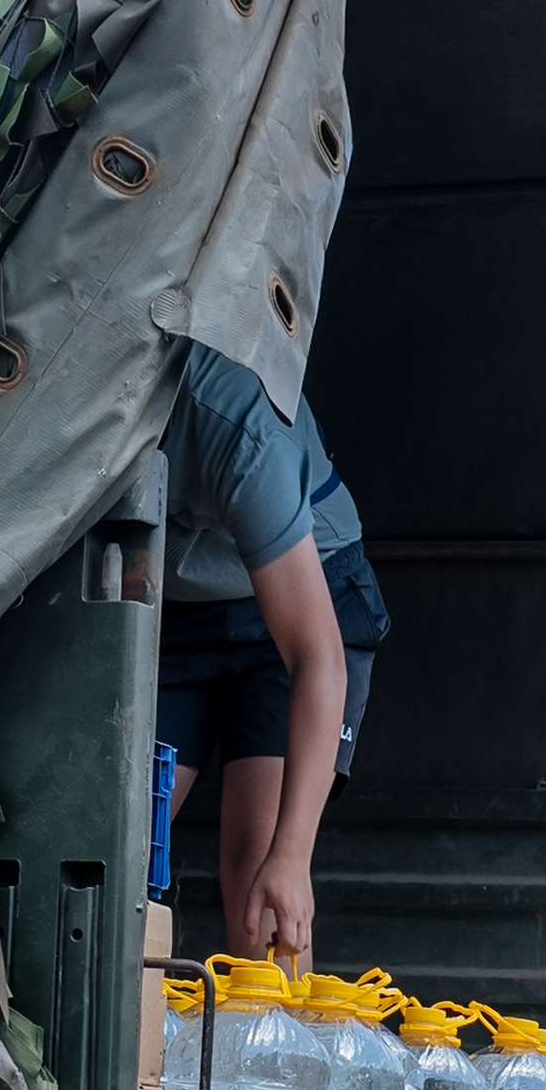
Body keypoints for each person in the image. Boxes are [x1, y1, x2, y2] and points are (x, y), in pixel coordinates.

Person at [155, 341, 392, 965]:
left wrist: (292, 857)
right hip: (176, 604)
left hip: (304, 593)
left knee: (258, 869)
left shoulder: (239, 423)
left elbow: (319, 658)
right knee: (111, 844)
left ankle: (271, 1028)